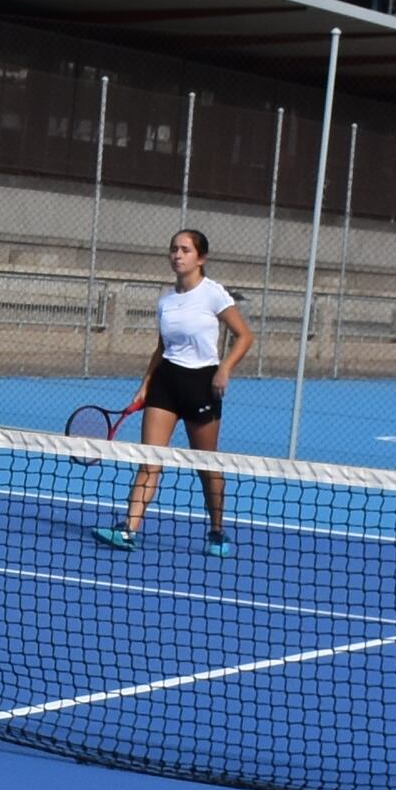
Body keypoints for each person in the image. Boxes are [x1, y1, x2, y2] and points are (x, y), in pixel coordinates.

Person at [94, 226, 251, 553]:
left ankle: (217, 532)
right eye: (174, 249)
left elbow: (244, 336)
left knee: (206, 466)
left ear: (201, 258)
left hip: (201, 385)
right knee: (150, 460)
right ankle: (128, 529)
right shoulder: (166, 299)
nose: (177, 255)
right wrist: (145, 384)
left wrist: (224, 369)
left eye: (185, 250)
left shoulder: (214, 294)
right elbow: (162, 347)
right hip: (166, 383)